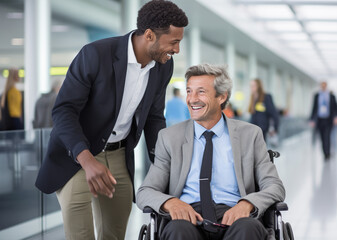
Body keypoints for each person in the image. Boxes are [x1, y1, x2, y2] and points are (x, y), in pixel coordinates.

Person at [35, 1, 188, 239]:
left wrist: (165, 166)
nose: (177, 50)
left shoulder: (162, 67)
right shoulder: (95, 54)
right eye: (174, 42)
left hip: (119, 155)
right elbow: (63, 111)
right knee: (81, 235)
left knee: (115, 233)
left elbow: (155, 118)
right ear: (149, 35)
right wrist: (86, 160)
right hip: (77, 156)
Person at [137, 64, 285, 240]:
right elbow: (145, 191)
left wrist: (248, 204)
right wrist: (171, 202)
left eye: (201, 92)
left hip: (236, 216)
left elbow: (275, 186)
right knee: (177, 231)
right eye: (189, 91)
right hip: (188, 217)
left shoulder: (250, 135)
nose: (192, 99)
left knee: (248, 229)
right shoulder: (169, 137)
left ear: (221, 97)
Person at [309, 81, 337, 160]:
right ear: (320, 86)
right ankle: (325, 153)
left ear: (326, 86)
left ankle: (327, 153)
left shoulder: (331, 96)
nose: (323, 87)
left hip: (328, 120)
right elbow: (314, 108)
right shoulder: (317, 96)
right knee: (322, 137)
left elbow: (335, 108)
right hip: (319, 120)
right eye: (322, 86)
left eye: (324, 86)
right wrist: (312, 119)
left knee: (327, 136)